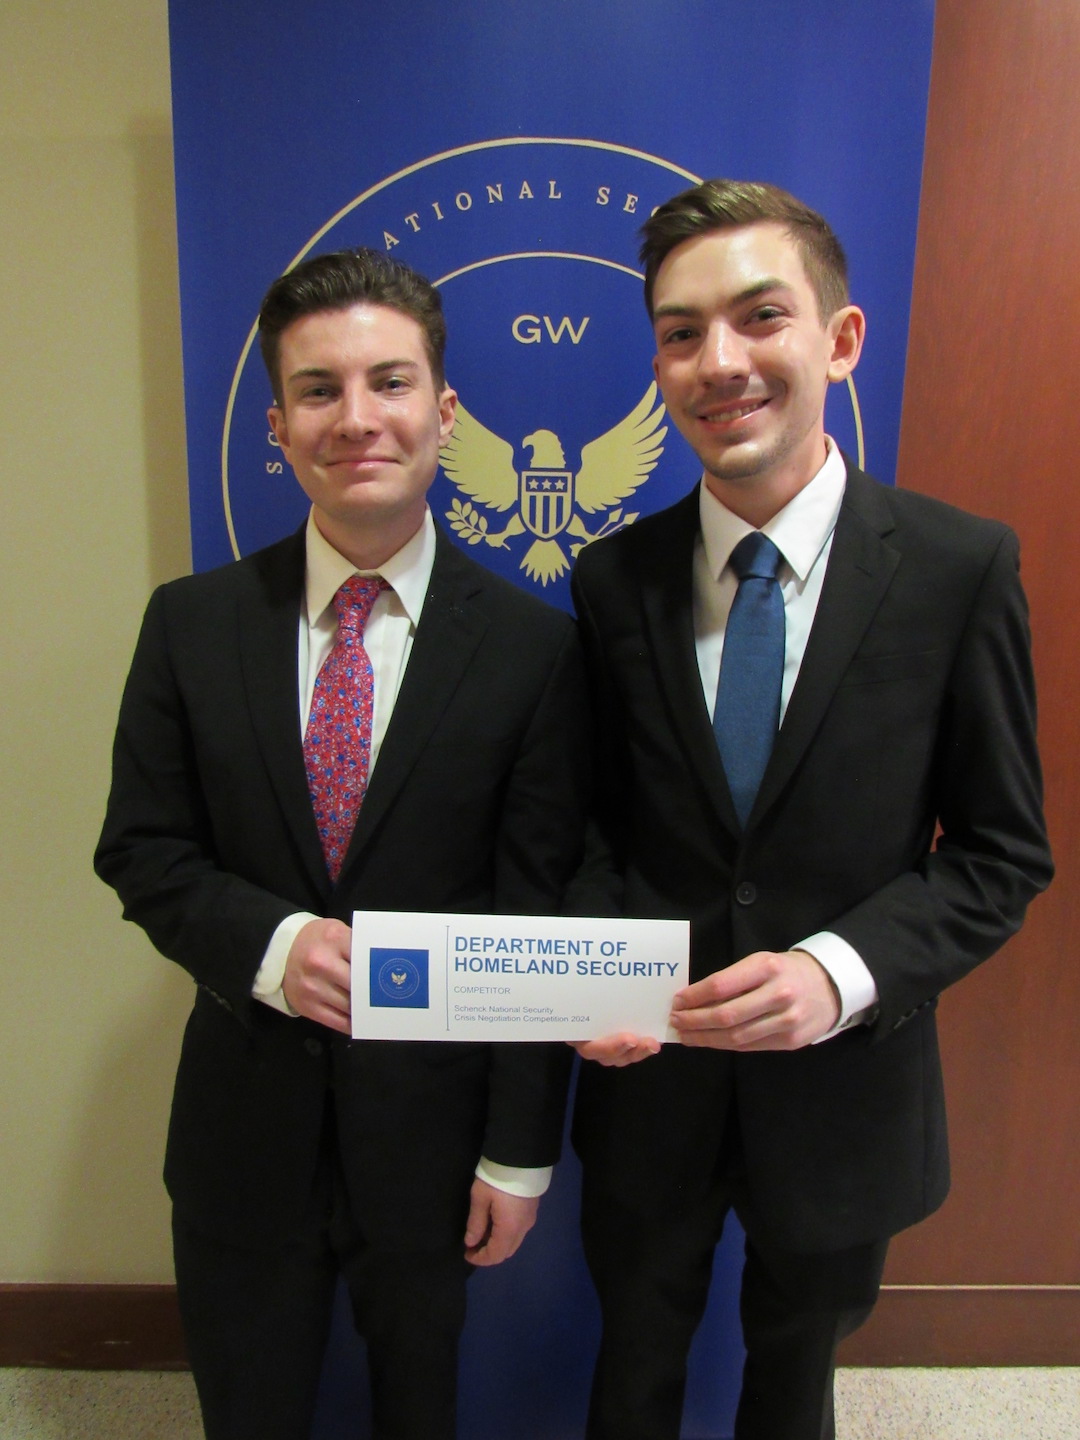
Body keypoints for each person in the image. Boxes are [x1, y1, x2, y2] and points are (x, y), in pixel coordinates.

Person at [567, 180, 1053, 1440]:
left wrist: (841, 972)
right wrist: (591, 974)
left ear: (839, 342)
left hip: (844, 1093)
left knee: (796, 1382)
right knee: (633, 1369)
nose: (717, 362)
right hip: (648, 1080)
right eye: (679, 333)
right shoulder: (612, 580)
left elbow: (1001, 853)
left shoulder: (958, 569)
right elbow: (592, 826)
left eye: (758, 317)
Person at [95, 247, 588, 1440]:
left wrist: (520, 1156)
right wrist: (270, 944)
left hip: (435, 1140)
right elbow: (143, 850)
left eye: (390, 382)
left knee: (418, 1409)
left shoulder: (534, 651)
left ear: (445, 411)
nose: (356, 417)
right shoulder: (192, 624)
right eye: (318, 390)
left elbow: (539, 911)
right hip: (240, 1133)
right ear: (276, 423)